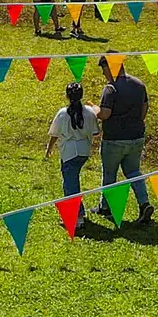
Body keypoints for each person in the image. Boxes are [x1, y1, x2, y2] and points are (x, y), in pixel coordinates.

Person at [97, 54, 153, 227]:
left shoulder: (110, 89)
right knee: (134, 172)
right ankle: (144, 203)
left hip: (114, 139)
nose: (103, 73)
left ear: (110, 67)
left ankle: (106, 207)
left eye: (103, 69)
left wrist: (94, 109)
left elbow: (105, 114)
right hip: (136, 137)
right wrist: (137, 122)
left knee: (109, 173)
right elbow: (145, 107)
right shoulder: (139, 84)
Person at [46, 83, 101, 224]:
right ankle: (76, 213)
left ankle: (77, 217)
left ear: (67, 96)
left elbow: (55, 134)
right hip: (84, 150)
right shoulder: (89, 112)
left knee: (70, 185)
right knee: (72, 181)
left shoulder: (63, 113)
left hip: (69, 152)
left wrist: (49, 149)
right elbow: (96, 132)